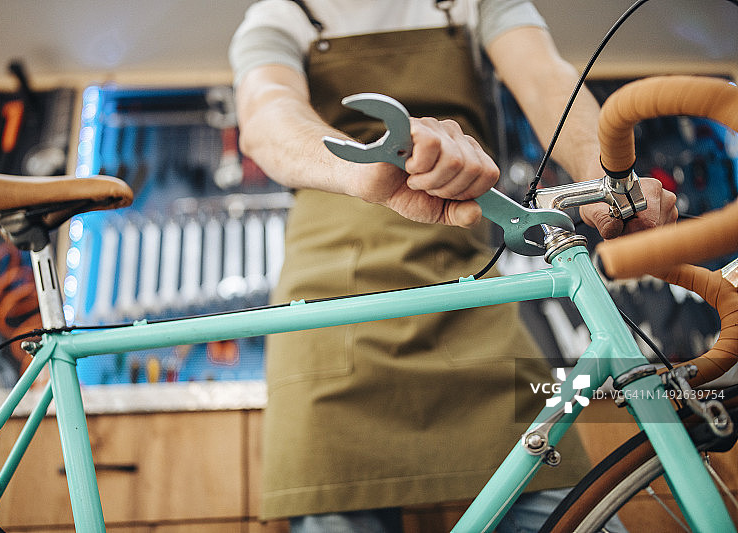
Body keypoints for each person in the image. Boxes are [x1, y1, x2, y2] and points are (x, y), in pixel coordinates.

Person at [229, 1, 678, 531]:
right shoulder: (279, 15)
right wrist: (360, 170)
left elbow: (545, 79)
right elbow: (267, 111)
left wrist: (606, 178)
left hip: (473, 301)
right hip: (334, 312)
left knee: (571, 513)